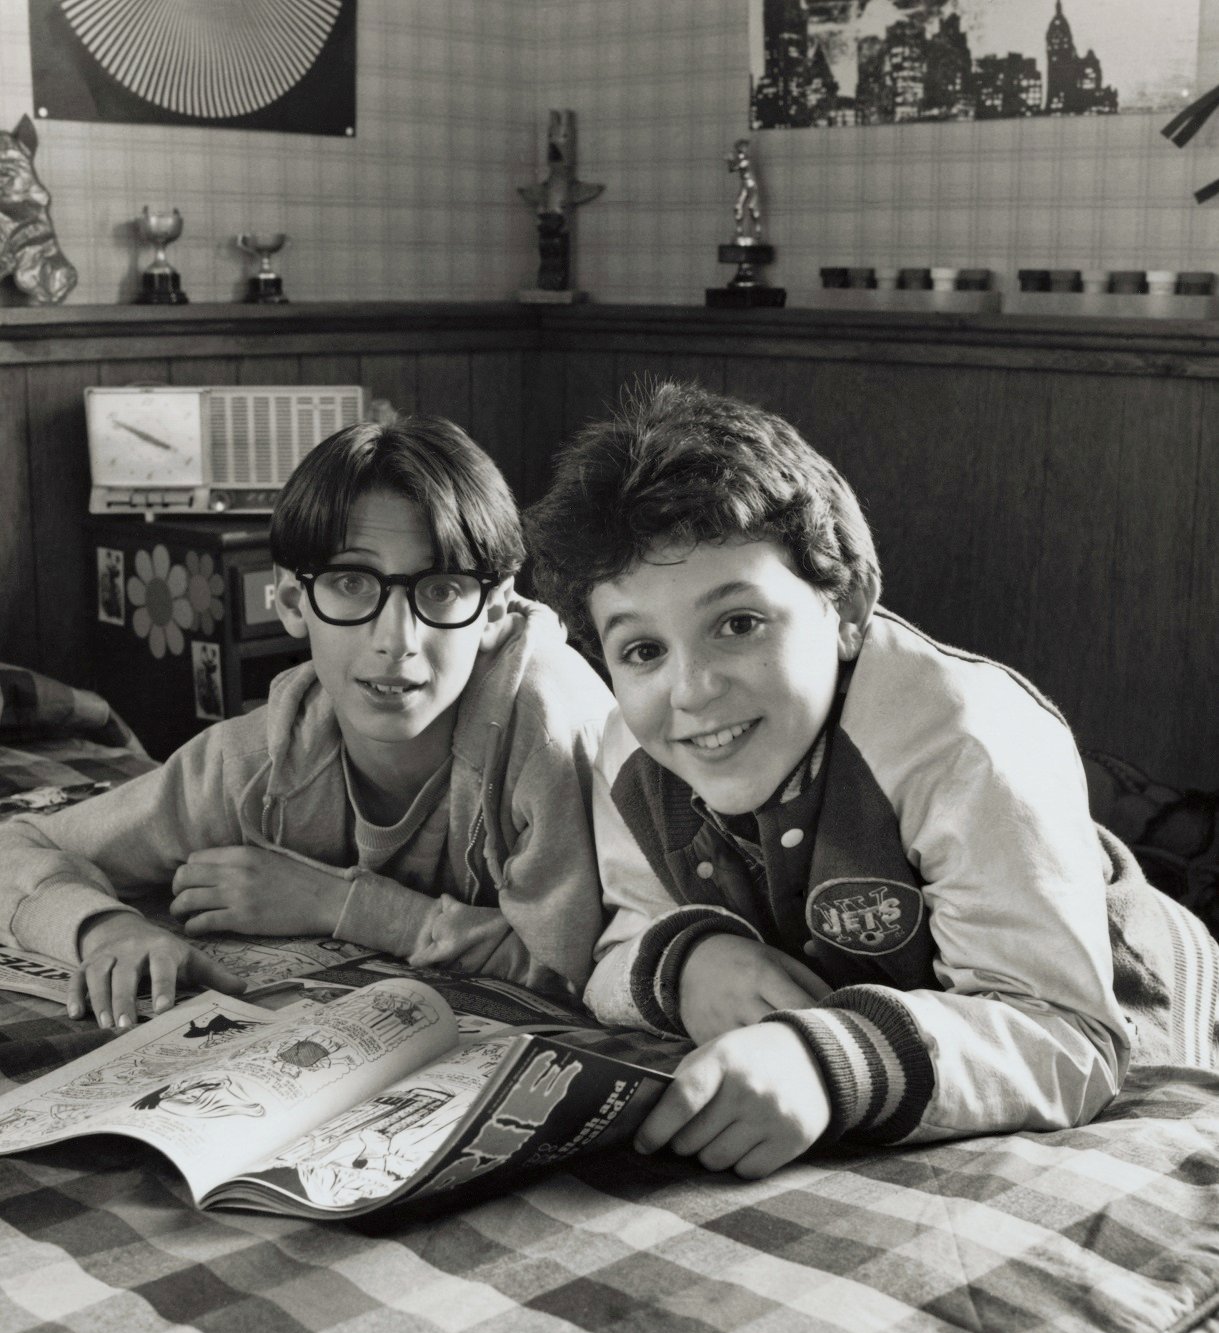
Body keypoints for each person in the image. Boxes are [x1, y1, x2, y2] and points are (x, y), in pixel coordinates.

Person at [524, 381, 1218, 1181]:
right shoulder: (630, 751)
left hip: (1137, 1031)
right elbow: (620, 941)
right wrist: (686, 963)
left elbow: (1068, 1038)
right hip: (906, 1045)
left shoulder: (965, 738)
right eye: (642, 651)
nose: (691, 690)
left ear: (846, 604)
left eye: (738, 624)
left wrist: (824, 1060)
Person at [0, 416, 614, 1030]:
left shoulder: (549, 729)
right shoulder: (261, 760)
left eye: (442, 588)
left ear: (494, 610)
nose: (395, 639)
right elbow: (19, 846)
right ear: (293, 602)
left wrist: (335, 902)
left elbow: (580, 971)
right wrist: (105, 928)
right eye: (351, 582)